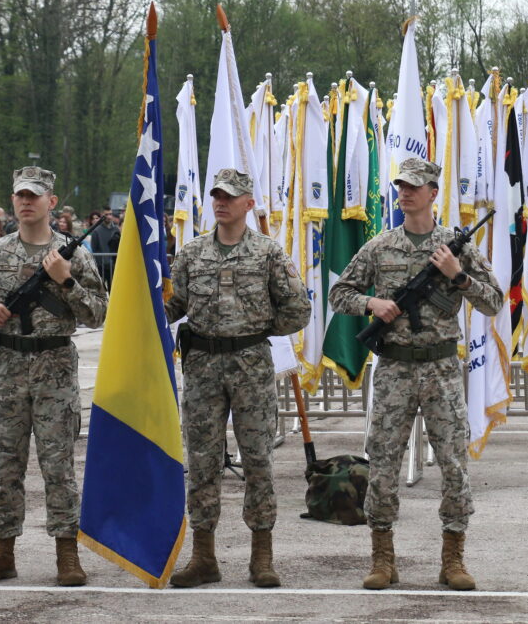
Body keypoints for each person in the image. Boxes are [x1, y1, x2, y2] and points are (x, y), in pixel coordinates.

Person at [328, 158, 502, 591]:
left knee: (454, 466)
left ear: (433, 193)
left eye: (415, 186)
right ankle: (383, 558)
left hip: (442, 367)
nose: (406, 193)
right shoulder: (380, 246)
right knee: (384, 464)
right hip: (395, 368)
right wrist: (372, 305)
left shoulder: (455, 248)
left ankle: (453, 559)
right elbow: (338, 293)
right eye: (401, 186)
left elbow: (495, 301)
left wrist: (457, 277)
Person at [0, 166, 108, 587]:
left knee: (59, 466)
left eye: (35, 196)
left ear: (51, 203)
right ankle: (2, 552)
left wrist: (67, 282)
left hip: (55, 369)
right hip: (7, 367)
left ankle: (67, 554)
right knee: (6, 466)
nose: (26, 202)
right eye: (20, 195)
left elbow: (99, 312)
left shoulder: (72, 254)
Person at [165, 168, 310, 590]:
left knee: (258, 460)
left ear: (248, 203)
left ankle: (261, 556)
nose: (221, 202)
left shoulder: (267, 253)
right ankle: (203, 556)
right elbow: (175, 306)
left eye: (230, 196)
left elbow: (298, 309)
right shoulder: (191, 253)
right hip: (203, 367)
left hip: (251, 366)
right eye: (216, 196)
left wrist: (257, 329)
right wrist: (151, 307)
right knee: (202, 462)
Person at [90, 208, 120, 290]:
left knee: (114, 289)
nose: (109, 217)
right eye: (106, 214)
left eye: (110, 214)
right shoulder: (96, 231)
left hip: (114, 266)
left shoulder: (116, 230)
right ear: (102, 216)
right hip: (101, 266)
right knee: (100, 290)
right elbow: (94, 249)